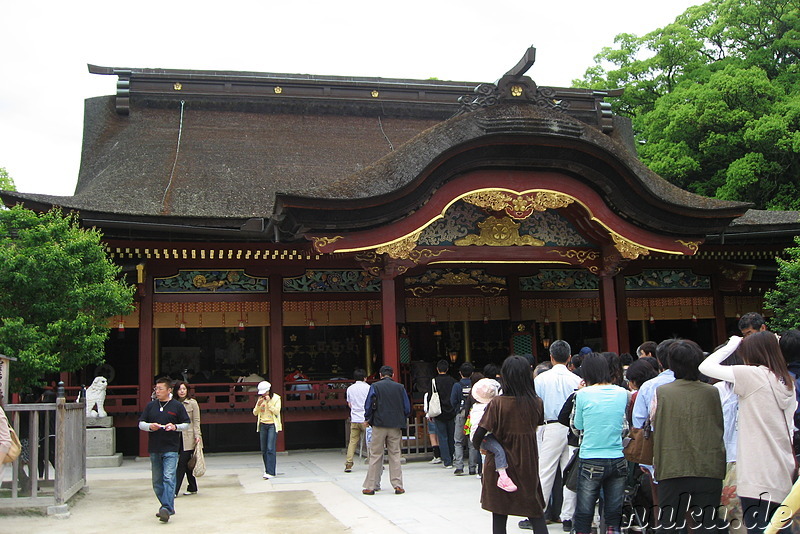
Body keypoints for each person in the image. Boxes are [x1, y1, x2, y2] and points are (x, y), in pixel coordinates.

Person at [699, 332, 797, 534]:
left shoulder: (753, 375)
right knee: (779, 527)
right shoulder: (786, 381)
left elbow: (705, 367)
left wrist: (732, 344)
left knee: (758, 527)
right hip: (782, 467)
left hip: (756, 470)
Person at [651, 340, 728, 534]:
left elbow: (653, 422)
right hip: (708, 466)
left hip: (672, 466)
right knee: (706, 526)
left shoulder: (662, 392)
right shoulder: (712, 392)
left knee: (669, 526)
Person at [472, 355, 548, 534]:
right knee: (534, 510)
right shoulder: (536, 402)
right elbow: (537, 424)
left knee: (500, 512)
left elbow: (479, 433)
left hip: (501, 464)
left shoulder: (498, 403)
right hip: (527, 461)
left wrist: (482, 447)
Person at [533, 339, 581, 532]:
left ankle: (538, 513)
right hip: (572, 428)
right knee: (569, 472)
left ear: (551, 358)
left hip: (550, 426)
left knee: (545, 471)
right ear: (569, 358)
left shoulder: (540, 380)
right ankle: (568, 516)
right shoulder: (577, 380)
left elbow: (536, 405)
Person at [138, 377, 190, 522]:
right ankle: (167, 507)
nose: (157, 391)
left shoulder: (177, 406)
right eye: (156, 388)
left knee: (168, 477)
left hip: (171, 447)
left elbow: (186, 424)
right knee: (157, 481)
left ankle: (166, 508)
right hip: (155, 447)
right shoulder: (150, 406)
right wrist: (150, 426)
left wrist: (175, 427)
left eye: (160, 389)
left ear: (169, 390)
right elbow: (141, 423)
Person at [362, 365, 411, 495]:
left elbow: (368, 404)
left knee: (376, 454)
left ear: (380, 375)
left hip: (379, 424)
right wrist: (401, 417)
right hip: (395, 425)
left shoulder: (375, 386)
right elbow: (406, 407)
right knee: (395, 455)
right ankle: (398, 485)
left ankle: (371, 486)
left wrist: (367, 418)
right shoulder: (400, 387)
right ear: (393, 375)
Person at [471, 377, 517, 491]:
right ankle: (503, 476)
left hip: (487, 435)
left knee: (486, 461)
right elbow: (481, 429)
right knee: (498, 451)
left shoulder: (477, 407)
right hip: (483, 437)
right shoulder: (484, 409)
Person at [173, 381, 202, 497]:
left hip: (189, 436)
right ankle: (192, 487)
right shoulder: (173, 403)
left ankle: (174, 490)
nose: (182, 391)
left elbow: (196, 421)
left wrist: (197, 436)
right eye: (179, 389)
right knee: (187, 464)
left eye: (184, 389)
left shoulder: (192, 403)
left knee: (181, 464)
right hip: (177, 436)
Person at [253, 380, 282, 479]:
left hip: (272, 425)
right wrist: (258, 404)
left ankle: (271, 472)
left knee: (270, 448)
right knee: (264, 449)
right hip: (262, 424)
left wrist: (269, 402)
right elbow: (255, 413)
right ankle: (267, 470)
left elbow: (277, 411)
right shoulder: (260, 399)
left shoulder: (276, 398)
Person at [452, 361, 477, 476]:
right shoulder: (475, 385)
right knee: (472, 442)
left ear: (460, 373)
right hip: (473, 414)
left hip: (461, 414)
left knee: (458, 441)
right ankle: (472, 467)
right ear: (472, 373)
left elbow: (453, 401)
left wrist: (457, 409)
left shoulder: (457, 385)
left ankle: (459, 466)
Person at [431, 359, 458, 468]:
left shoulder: (434, 381)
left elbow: (430, 396)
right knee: (451, 436)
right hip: (451, 411)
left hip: (439, 411)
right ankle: (452, 456)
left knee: (442, 436)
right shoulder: (453, 381)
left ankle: (447, 461)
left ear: (437, 369)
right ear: (447, 369)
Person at [344, 368, 370, 472]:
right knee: (370, 441)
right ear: (365, 378)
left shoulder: (350, 388)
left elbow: (349, 404)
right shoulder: (368, 387)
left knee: (353, 441)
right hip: (365, 419)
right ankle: (374, 463)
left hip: (354, 418)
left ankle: (348, 463)